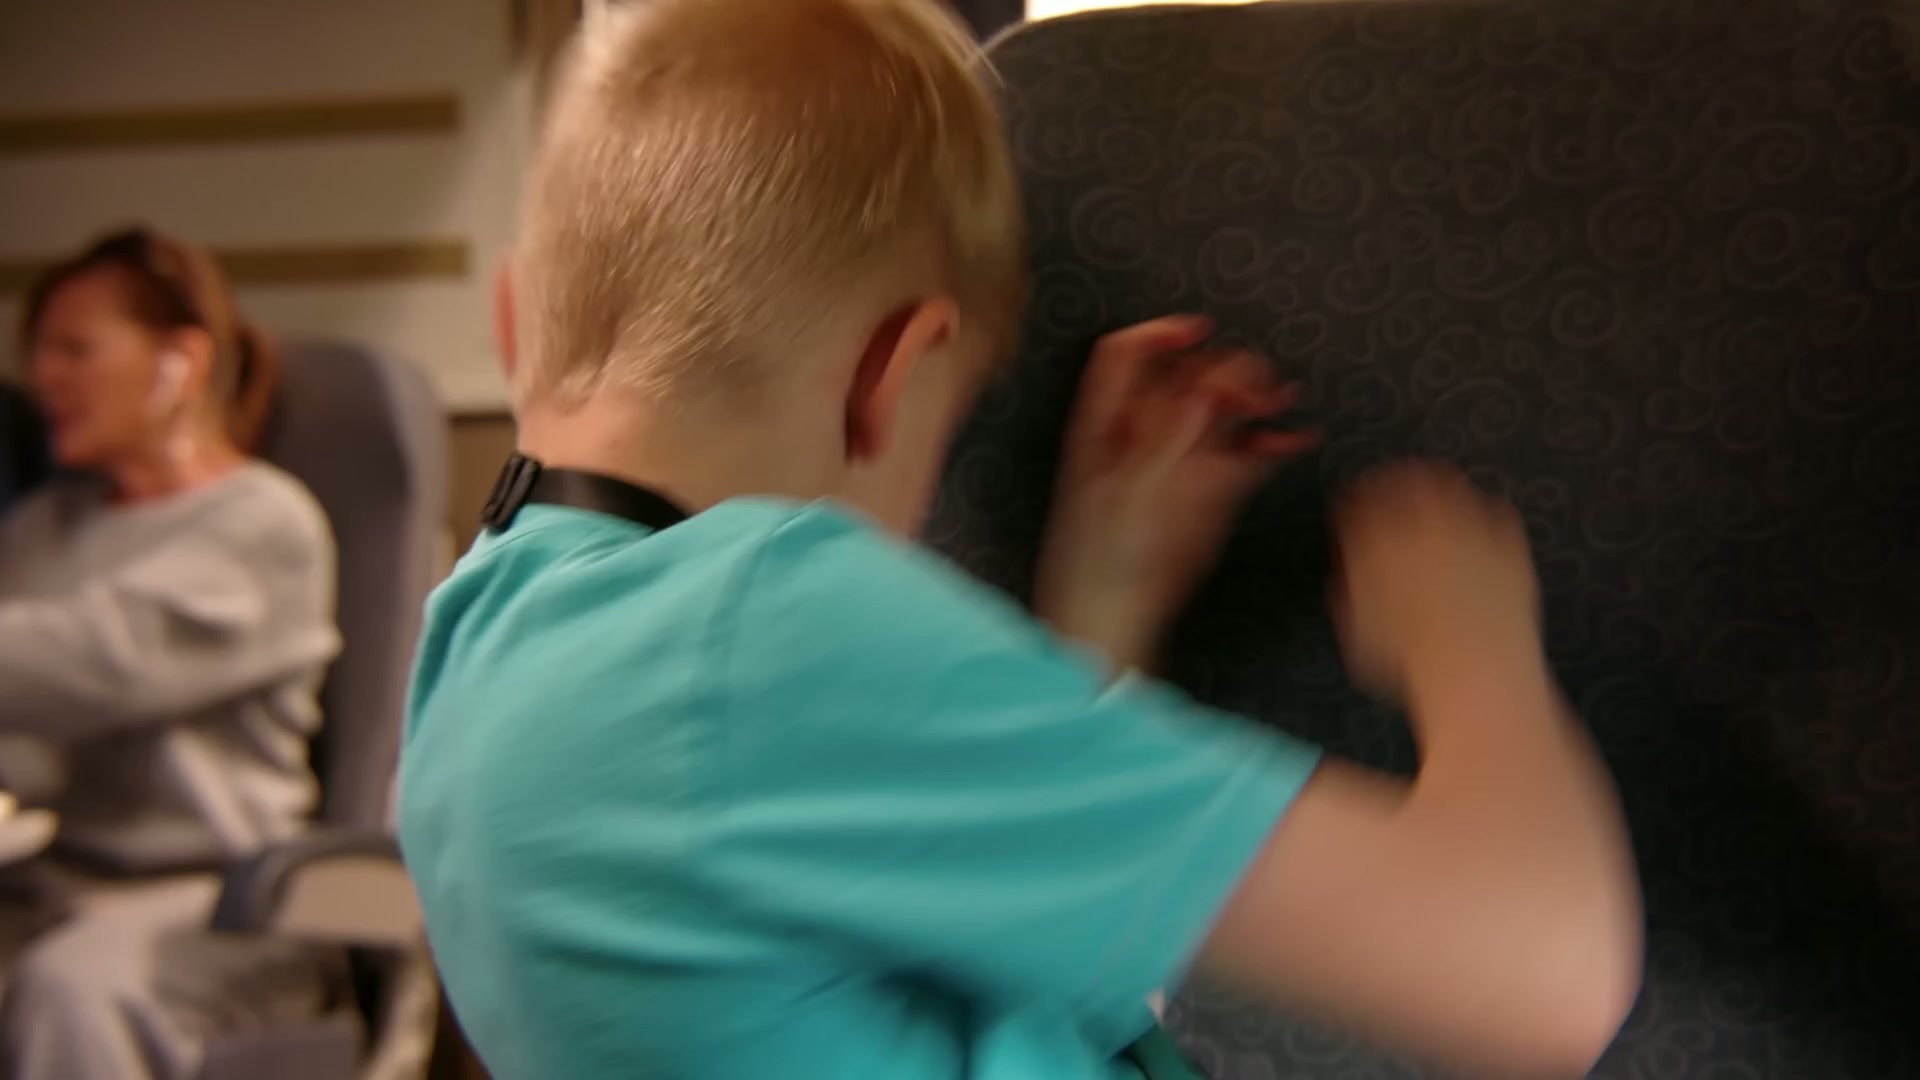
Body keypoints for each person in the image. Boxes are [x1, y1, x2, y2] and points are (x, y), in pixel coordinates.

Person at [398, 1, 1644, 1078]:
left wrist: (1106, 595)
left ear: (514, 320)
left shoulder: (478, 649)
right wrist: (1469, 645)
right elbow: (1543, 975)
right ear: (891, 377)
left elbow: (946, 963)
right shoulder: (761, 631)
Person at [0, 227, 341, 1079]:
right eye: (40, 353)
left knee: (69, 990)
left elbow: (96, 663)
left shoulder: (262, 524)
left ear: (179, 362)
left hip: (215, 899)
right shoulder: (40, 529)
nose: (44, 377)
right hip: (43, 881)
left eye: (75, 349)